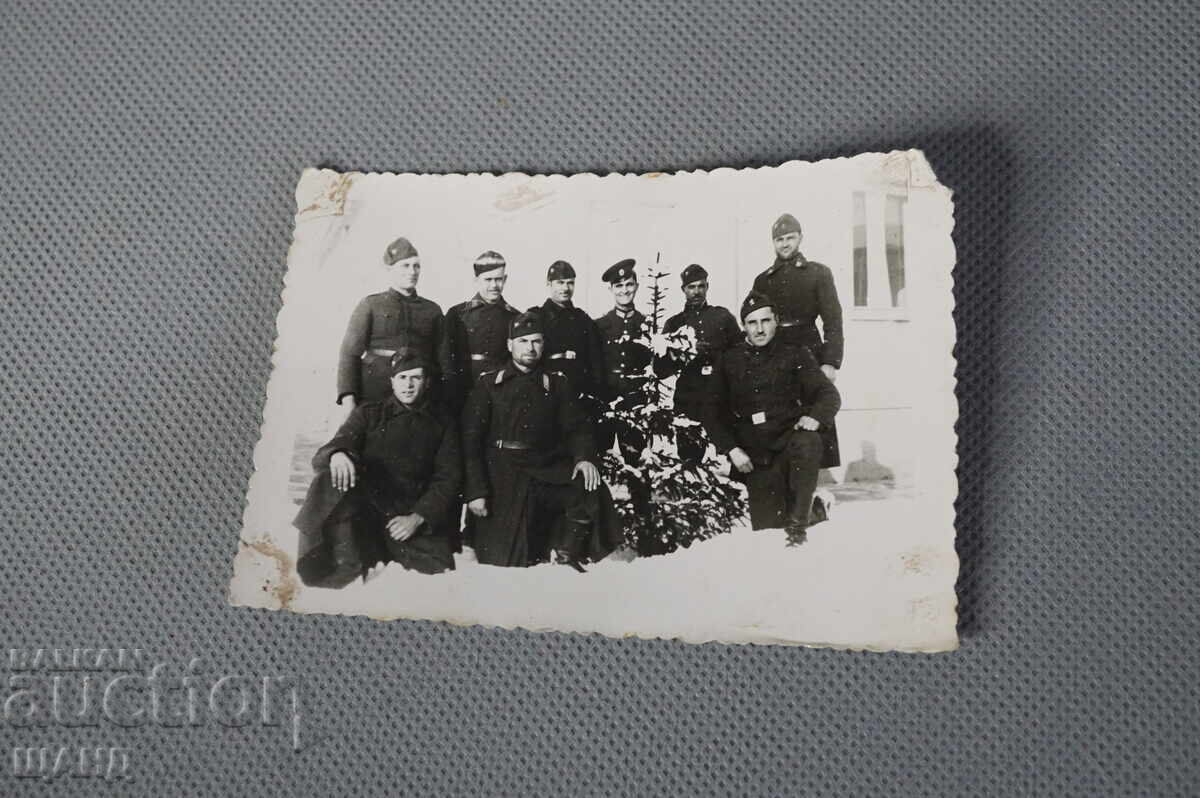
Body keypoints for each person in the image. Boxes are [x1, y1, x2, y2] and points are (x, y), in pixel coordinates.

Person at [460, 311, 623, 571]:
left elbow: (577, 428)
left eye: (536, 341)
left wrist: (583, 459)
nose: (530, 348)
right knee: (508, 562)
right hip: (502, 473)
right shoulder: (489, 384)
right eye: (523, 341)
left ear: (544, 344)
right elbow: (470, 442)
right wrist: (476, 491)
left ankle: (567, 553)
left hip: (544, 467)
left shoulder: (556, 383)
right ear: (510, 345)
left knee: (588, 485)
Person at [294, 350, 461, 585]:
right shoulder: (369, 414)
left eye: (416, 378)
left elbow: (449, 477)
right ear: (392, 381)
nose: (409, 385)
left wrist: (418, 517)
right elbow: (333, 446)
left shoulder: (442, 423)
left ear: (427, 382)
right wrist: (338, 453)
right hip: (366, 512)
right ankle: (344, 562)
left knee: (434, 581)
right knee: (329, 476)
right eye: (402, 378)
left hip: (407, 514)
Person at [704, 292, 840, 546]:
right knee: (769, 526)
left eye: (765, 321)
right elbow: (710, 412)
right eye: (752, 323)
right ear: (744, 326)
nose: (759, 329)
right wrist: (732, 449)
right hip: (754, 455)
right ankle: (815, 507)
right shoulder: (729, 360)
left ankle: (798, 531)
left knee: (808, 442)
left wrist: (814, 418)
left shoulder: (795, 354)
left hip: (789, 444)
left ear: (776, 320)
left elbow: (829, 395)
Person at [751, 213, 844, 466]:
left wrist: (831, 361)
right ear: (773, 242)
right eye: (779, 239)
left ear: (800, 238)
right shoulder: (763, 280)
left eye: (790, 238)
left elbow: (833, 320)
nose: (785, 244)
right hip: (776, 350)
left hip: (809, 348)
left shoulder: (818, 273)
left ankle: (814, 482)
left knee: (813, 407)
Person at [335, 236, 448, 421]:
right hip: (375, 394)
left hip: (418, 399)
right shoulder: (371, 305)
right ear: (389, 269)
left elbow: (443, 361)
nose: (412, 272)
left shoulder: (432, 310)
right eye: (405, 266)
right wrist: (349, 400)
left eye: (416, 266)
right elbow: (349, 354)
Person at [655, 264, 742, 464]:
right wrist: (682, 353)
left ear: (707, 287)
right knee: (690, 459)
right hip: (689, 398)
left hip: (721, 395)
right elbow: (660, 369)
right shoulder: (674, 324)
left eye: (701, 286)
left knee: (731, 455)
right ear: (683, 289)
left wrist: (718, 355)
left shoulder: (722, 317)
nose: (696, 292)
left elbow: (740, 354)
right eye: (691, 287)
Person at [442, 250, 520, 415]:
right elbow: (447, 358)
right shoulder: (457, 314)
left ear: (505, 280)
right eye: (488, 279)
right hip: (464, 389)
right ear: (476, 280)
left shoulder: (514, 317)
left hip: (500, 390)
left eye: (498, 279)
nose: (494, 285)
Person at [534, 260, 611, 418]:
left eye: (570, 283)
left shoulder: (582, 319)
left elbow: (596, 361)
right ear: (548, 284)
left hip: (578, 397)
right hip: (545, 395)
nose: (565, 288)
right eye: (560, 282)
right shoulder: (536, 316)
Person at [593, 258, 651, 465]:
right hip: (605, 401)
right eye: (618, 286)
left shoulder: (646, 325)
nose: (624, 291)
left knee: (636, 462)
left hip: (635, 402)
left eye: (629, 285)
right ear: (611, 289)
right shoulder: (599, 326)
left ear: (637, 286)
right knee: (602, 458)